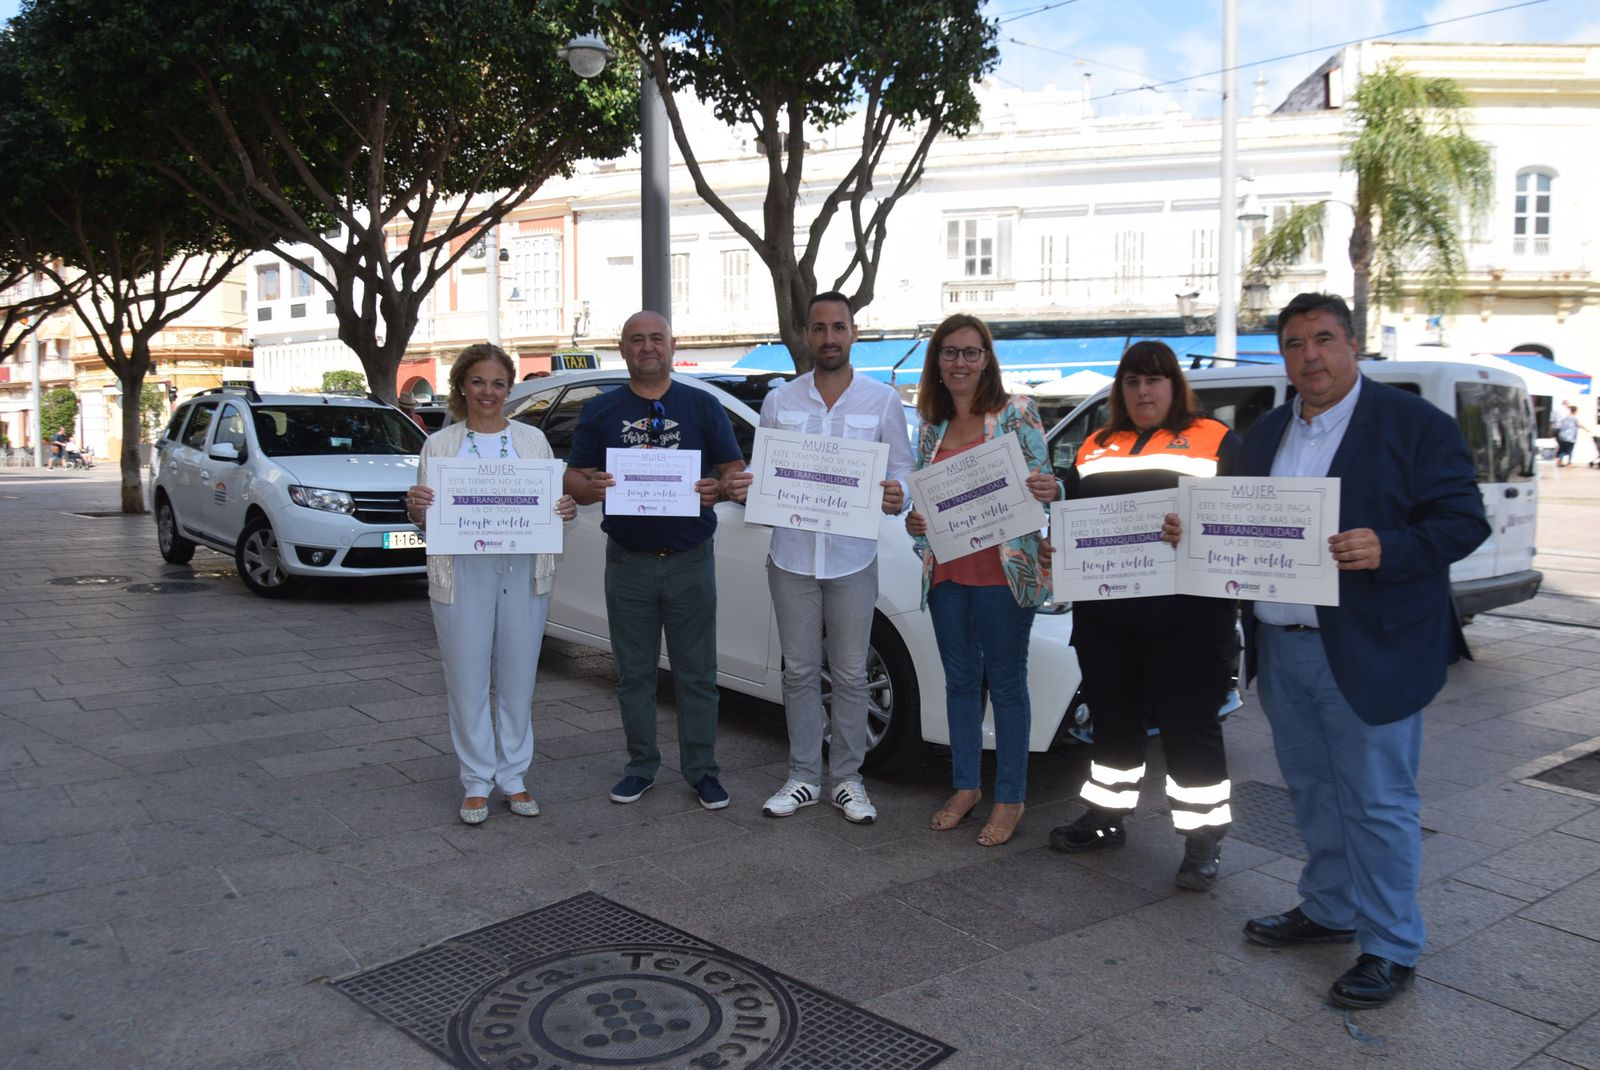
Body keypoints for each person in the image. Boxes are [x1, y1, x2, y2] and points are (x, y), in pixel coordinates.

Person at [1171, 292, 1488, 1009]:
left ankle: (1391, 945)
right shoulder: (1267, 431)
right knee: (1311, 791)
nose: (1309, 356)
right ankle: (1330, 908)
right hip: (1283, 648)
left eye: (1322, 340)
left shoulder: (1413, 425)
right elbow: (1238, 523)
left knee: (1378, 802)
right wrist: (1193, 531)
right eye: (1293, 344)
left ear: (1353, 345)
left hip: (1370, 648)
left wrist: (1391, 547)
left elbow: (1464, 521)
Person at [1048, 341, 1241, 889]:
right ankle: (1107, 817)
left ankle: (1203, 838)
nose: (1142, 391)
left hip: (1189, 620)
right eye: (1132, 382)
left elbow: (1243, 518)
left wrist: (1199, 529)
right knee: (1113, 720)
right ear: (1120, 390)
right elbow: (1075, 518)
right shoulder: (1094, 447)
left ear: (1174, 385)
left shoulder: (1215, 440)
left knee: (1190, 727)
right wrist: (1056, 548)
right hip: (1107, 617)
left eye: (1154, 381)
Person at [564, 310, 752, 810]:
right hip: (628, 561)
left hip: (691, 558)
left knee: (696, 673)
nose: (648, 347)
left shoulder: (702, 405)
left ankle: (702, 771)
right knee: (633, 673)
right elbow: (576, 482)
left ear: (672, 346)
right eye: (637, 340)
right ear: (623, 349)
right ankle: (641, 767)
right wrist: (592, 485)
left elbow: (734, 473)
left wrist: (721, 488)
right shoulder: (600, 410)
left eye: (657, 339)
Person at [757, 292, 916, 826]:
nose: (829, 338)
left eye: (839, 327)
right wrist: (744, 485)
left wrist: (899, 494)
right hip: (792, 556)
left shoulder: (882, 400)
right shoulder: (780, 401)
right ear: (807, 335)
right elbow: (764, 476)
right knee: (800, 671)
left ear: (854, 333)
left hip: (852, 558)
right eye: (819, 328)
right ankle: (803, 776)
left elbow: (904, 472)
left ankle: (848, 780)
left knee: (849, 673)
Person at [404, 343, 578, 825]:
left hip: (522, 569)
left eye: (498, 383)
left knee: (519, 678)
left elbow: (551, 509)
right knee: (467, 678)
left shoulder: (532, 442)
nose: (488, 392)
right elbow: (425, 520)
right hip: (461, 571)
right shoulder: (440, 446)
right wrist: (416, 507)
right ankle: (477, 781)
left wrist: (562, 510)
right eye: (478, 381)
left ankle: (514, 777)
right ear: (462, 384)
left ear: (509, 388)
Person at [904, 315, 1057, 846]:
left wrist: (1044, 486)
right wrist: (916, 523)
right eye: (950, 353)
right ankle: (966, 786)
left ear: (987, 358)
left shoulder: (1015, 413)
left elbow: (1047, 483)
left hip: (1003, 574)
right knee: (961, 684)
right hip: (947, 573)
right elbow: (922, 505)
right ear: (937, 362)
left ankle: (1010, 798)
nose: (961, 363)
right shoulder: (929, 426)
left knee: (1008, 685)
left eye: (972, 353)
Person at [1555, 401, 1579, 467]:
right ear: (1575, 411)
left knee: (1563, 449)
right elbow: (1578, 425)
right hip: (1570, 437)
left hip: (1563, 436)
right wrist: (1587, 429)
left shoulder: (1566, 417)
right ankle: (1569, 463)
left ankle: (1559, 459)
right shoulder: (1574, 418)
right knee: (1570, 450)